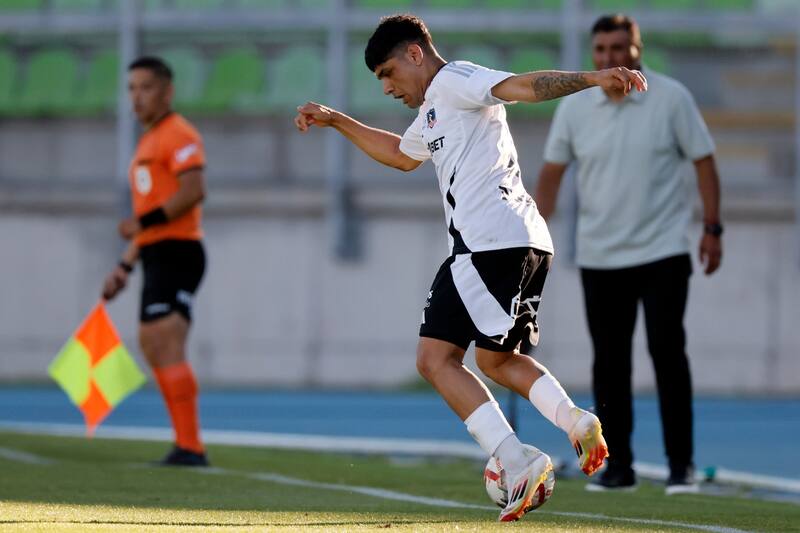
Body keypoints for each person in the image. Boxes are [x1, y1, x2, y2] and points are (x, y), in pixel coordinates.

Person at [295, 14, 646, 521]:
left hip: (487, 245)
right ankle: (574, 421)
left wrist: (592, 78)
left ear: (415, 53)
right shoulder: (435, 110)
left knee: (435, 359)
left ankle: (514, 461)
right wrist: (337, 119)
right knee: (496, 360)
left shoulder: (457, 80)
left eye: (389, 73)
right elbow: (400, 154)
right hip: (520, 241)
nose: (389, 87)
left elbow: (521, 86)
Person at [534, 14, 722, 495]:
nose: (609, 58)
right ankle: (619, 469)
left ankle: (682, 467)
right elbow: (552, 174)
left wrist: (712, 228)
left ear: (636, 50)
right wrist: (529, 239)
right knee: (610, 364)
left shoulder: (673, 97)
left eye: (619, 48)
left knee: (667, 354)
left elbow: (704, 161)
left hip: (663, 252)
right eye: (601, 50)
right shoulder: (574, 107)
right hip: (600, 255)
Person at [102, 56, 209, 467]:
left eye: (146, 87)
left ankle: (191, 446)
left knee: (165, 340)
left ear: (167, 91)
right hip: (155, 252)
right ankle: (185, 444)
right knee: (153, 342)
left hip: (179, 250)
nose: (137, 96)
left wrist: (140, 224)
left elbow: (193, 190)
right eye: (131, 88)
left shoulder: (178, 134)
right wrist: (124, 267)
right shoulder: (147, 141)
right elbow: (147, 221)